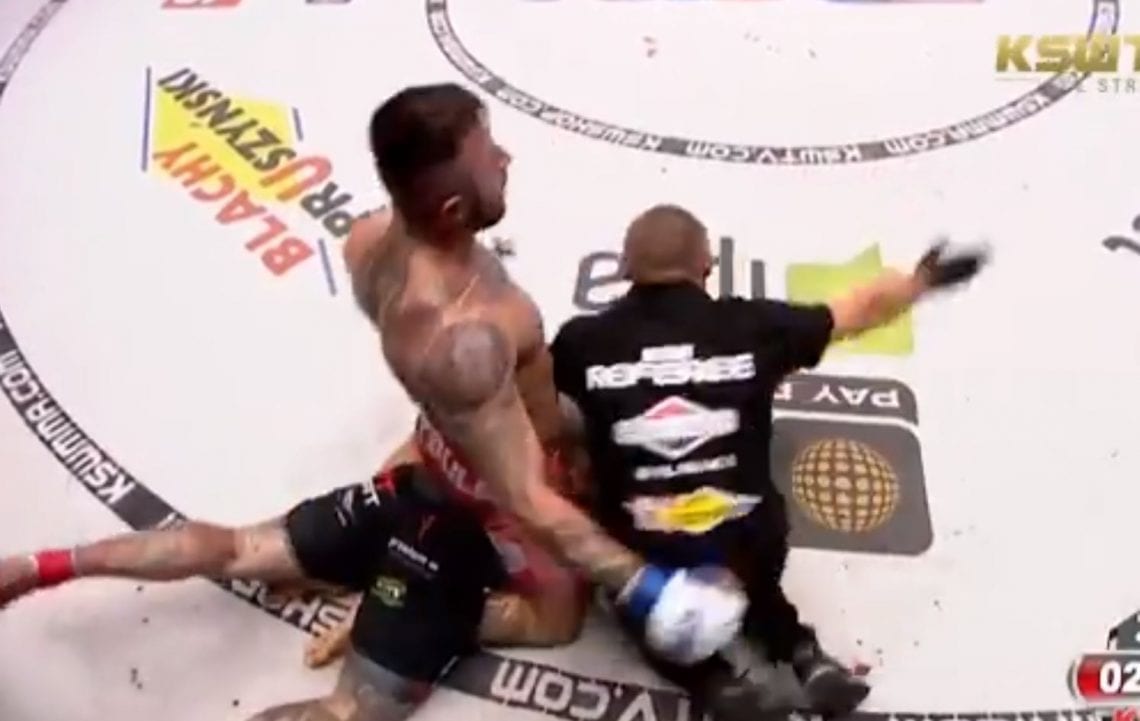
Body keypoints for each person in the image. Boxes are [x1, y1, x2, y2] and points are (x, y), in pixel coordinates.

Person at [338, 84, 748, 669]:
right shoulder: (464, 329)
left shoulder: (367, 243)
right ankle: (406, 603)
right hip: (499, 462)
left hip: (451, 429)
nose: (506, 159)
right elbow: (524, 496)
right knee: (556, 620)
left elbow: (434, 375)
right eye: (489, 157)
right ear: (453, 209)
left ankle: (386, 560)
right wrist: (652, 588)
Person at [549, 204, 988, 718]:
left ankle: (714, 681)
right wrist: (918, 283)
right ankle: (806, 657)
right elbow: (859, 308)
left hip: (652, 548)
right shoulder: (754, 327)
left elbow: (538, 409)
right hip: (748, 542)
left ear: (624, 269)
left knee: (636, 594)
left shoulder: (581, 342)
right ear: (707, 266)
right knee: (757, 584)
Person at [0, 463, 509, 721]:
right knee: (347, 711)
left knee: (236, 548)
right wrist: (391, 592)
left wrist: (372, 575)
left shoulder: (472, 345)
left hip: (410, 485)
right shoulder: (534, 428)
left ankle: (40, 567)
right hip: (454, 526)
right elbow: (543, 614)